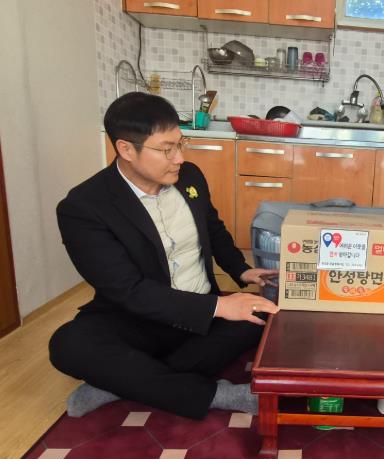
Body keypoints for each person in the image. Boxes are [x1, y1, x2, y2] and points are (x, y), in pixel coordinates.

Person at [49, 92, 279, 420]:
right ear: (126, 149)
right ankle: (216, 394)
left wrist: (241, 270)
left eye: (180, 144)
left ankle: (120, 384)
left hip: (200, 312)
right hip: (136, 318)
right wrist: (220, 306)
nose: (179, 158)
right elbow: (128, 290)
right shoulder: (84, 207)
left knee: (262, 317)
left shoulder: (190, 176)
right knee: (68, 345)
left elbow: (212, 227)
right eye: (166, 149)